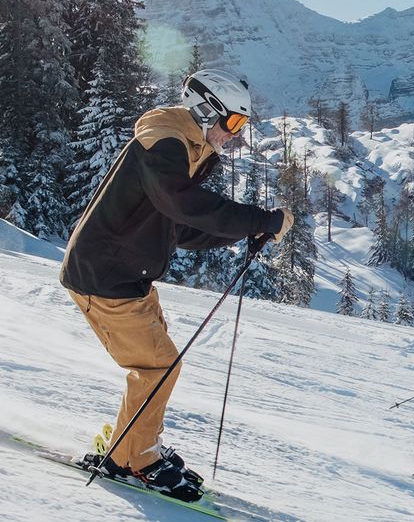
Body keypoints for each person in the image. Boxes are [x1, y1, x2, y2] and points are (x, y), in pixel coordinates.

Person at [59, 69, 293, 502]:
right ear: (208, 110)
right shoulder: (165, 141)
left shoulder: (186, 148)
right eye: (234, 123)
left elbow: (178, 227)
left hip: (128, 277)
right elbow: (180, 204)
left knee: (156, 367)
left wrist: (246, 232)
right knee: (158, 366)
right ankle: (137, 459)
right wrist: (257, 219)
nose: (235, 136)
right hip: (105, 276)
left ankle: (129, 449)